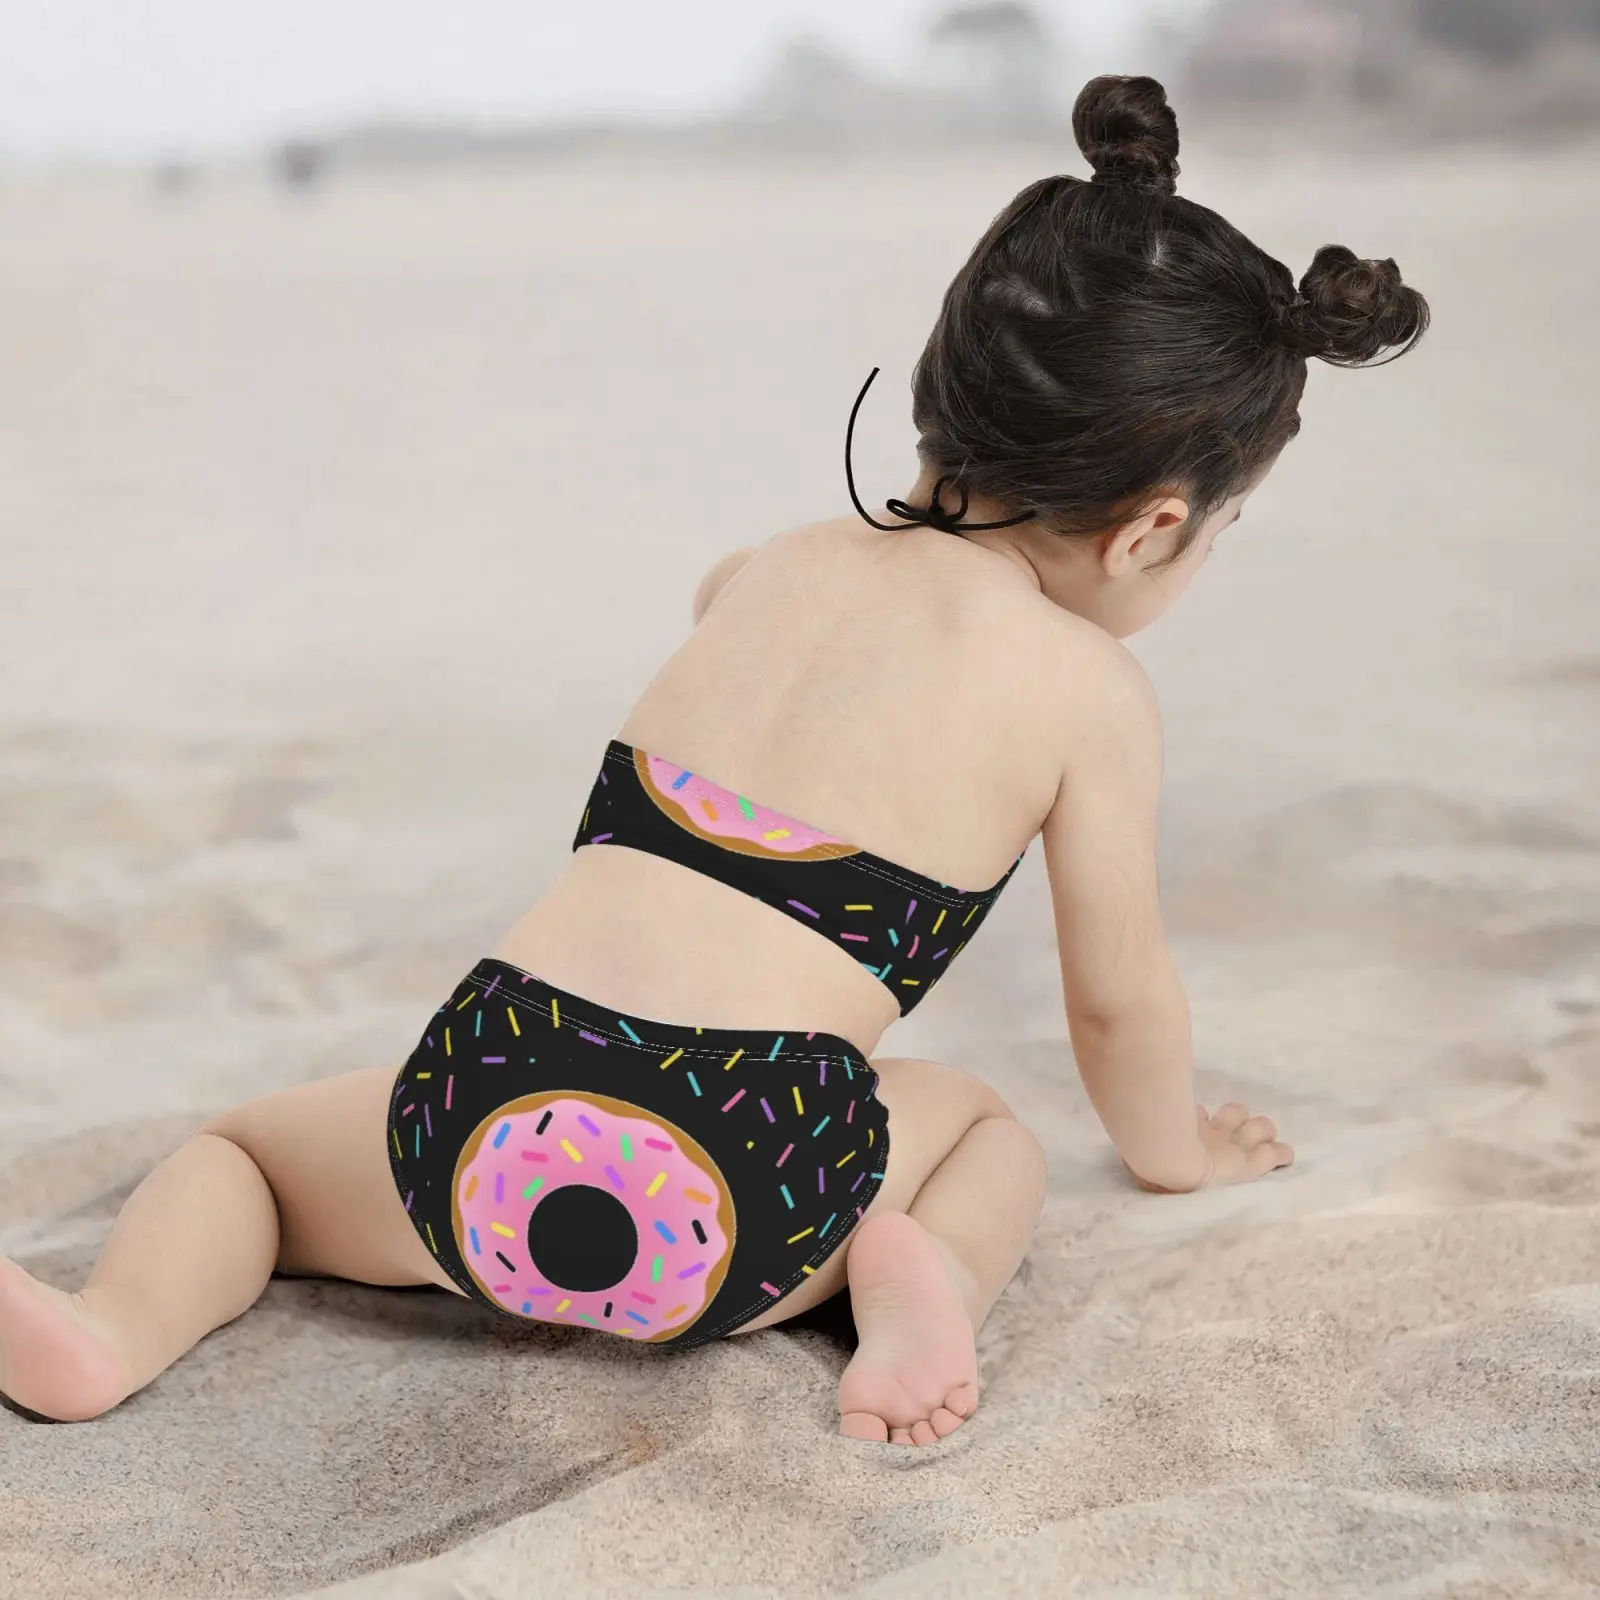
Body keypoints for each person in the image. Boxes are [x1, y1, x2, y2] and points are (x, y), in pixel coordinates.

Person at [0, 75, 1429, 1444]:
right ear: (1154, 528)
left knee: (244, 1159)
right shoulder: (1088, 693)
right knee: (985, 1131)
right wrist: (1179, 1152)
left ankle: (111, 1332)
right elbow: (1117, 1005)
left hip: (481, 1113)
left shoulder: (762, 572)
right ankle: (920, 1275)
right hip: (749, 1184)